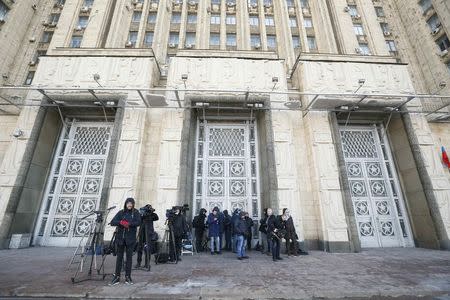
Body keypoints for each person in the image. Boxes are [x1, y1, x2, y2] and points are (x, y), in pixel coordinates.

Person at [109, 198, 141, 285]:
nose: (129, 205)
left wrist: (129, 224)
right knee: (119, 258)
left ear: (133, 204)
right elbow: (112, 222)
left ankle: (128, 277)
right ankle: (117, 277)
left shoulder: (136, 213)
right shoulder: (121, 212)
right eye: (128, 203)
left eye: (131, 203)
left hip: (130, 239)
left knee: (129, 258)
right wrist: (121, 222)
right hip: (120, 239)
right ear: (125, 204)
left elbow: (138, 222)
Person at [135, 204, 159, 269]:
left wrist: (151, 212)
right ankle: (138, 263)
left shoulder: (151, 215)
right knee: (140, 248)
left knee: (148, 249)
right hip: (142, 233)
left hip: (149, 233)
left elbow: (156, 217)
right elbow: (139, 219)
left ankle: (147, 264)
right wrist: (143, 214)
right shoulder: (141, 214)